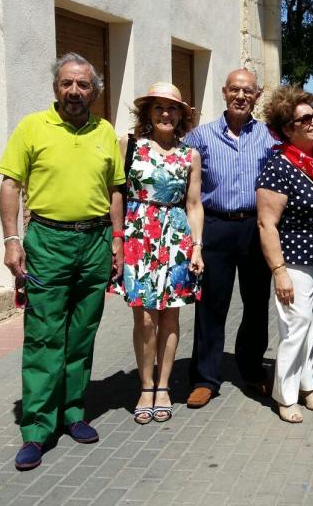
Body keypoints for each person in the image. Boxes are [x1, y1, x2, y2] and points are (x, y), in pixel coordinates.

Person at [0, 53, 124, 470]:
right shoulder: (32, 127)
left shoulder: (105, 131)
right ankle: (37, 428)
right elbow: (10, 184)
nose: (74, 91)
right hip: (48, 242)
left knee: (82, 332)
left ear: (94, 91)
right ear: (56, 87)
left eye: (83, 85)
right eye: (67, 83)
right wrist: (12, 240)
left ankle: (73, 413)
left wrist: (117, 240)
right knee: (44, 335)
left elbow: (116, 190)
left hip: (95, 241)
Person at [110, 82, 204, 424]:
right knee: (145, 317)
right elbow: (116, 194)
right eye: (159, 107)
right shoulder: (129, 145)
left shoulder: (189, 155)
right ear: (148, 112)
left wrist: (197, 246)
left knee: (170, 316)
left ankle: (163, 386)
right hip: (138, 235)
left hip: (176, 237)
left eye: (173, 108)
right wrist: (117, 238)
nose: (166, 113)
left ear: (181, 115)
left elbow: (193, 204)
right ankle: (145, 385)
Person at [184, 69, 278, 409]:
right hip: (216, 226)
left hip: (255, 227)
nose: (241, 96)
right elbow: (177, 172)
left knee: (256, 302)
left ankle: (252, 369)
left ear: (257, 96)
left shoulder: (269, 136)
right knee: (211, 303)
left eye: (248, 91)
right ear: (224, 92)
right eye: (235, 90)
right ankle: (205, 378)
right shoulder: (200, 136)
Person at [257, 86, 313, 424]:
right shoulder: (278, 165)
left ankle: (307, 384)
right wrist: (279, 272)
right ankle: (285, 395)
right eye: (304, 119)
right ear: (288, 129)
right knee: (294, 326)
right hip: (294, 261)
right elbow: (266, 224)